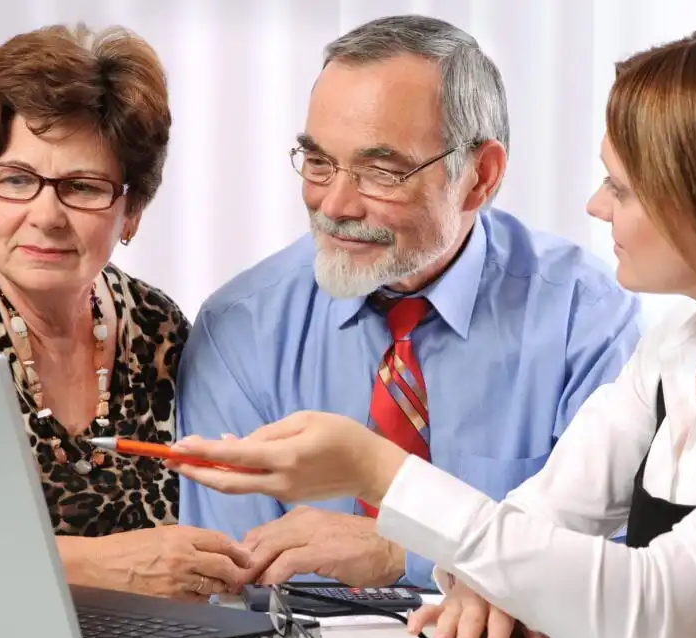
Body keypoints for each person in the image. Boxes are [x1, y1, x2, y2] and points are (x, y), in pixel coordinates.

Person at [170, 24, 696, 638]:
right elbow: (537, 528)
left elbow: (652, 605)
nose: (595, 206)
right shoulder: (674, 357)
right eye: (319, 160)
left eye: (621, 188)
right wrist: (490, 575)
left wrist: (378, 472)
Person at [176, 15, 642, 590]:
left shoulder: (585, 318)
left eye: (380, 170)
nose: (337, 204)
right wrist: (480, 564)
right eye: (319, 163)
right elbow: (236, 577)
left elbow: (614, 567)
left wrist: (404, 553)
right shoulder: (239, 329)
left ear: (480, 177)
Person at [0, 24, 248, 602]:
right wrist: (95, 565)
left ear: (131, 210)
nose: (46, 215)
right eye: (15, 179)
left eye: (82, 188)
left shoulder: (159, 326)